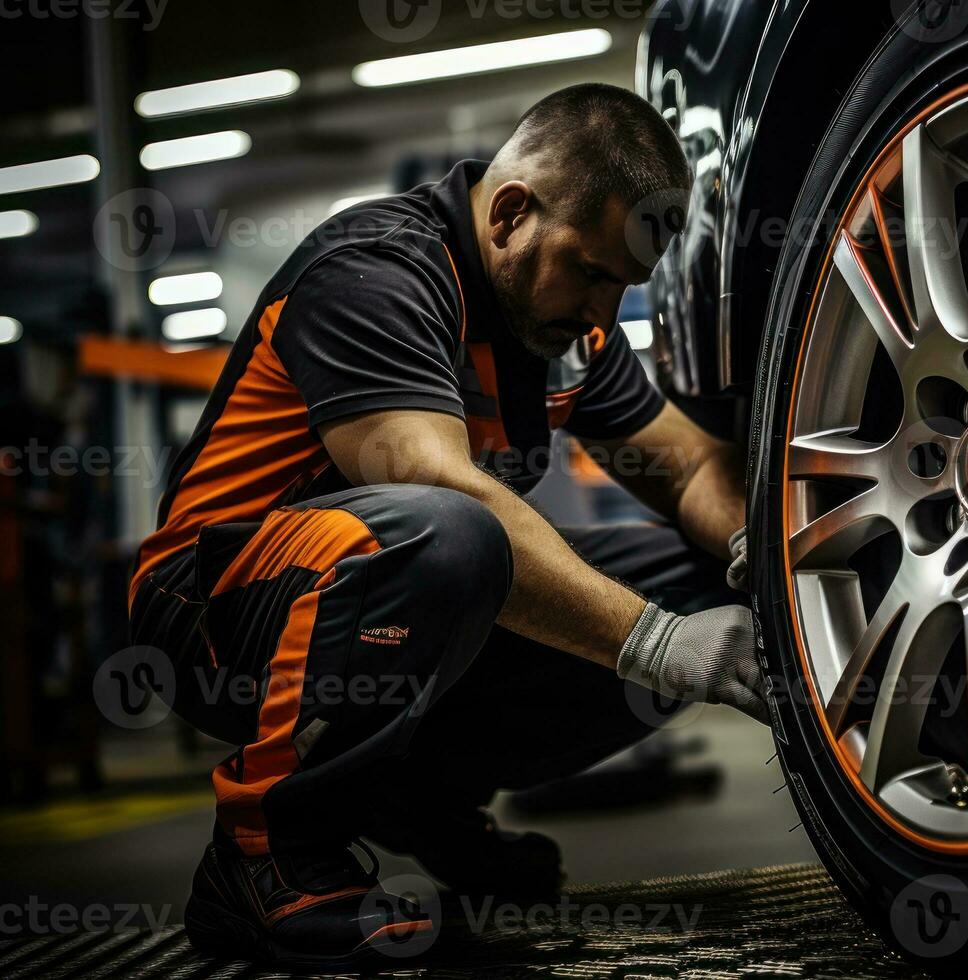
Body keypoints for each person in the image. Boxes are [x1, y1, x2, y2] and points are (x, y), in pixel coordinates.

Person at [126, 82, 762, 967]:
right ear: (508, 213)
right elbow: (431, 481)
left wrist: (758, 557)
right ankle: (263, 857)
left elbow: (689, 465)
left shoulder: (564, 331)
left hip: (376, 598)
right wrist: (654, 645)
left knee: (697, 577)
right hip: (212, 611)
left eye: (623, 285)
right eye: (590, 270)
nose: (602, 310)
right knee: (450, 535)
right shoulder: (375, 272)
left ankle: (423, 797)